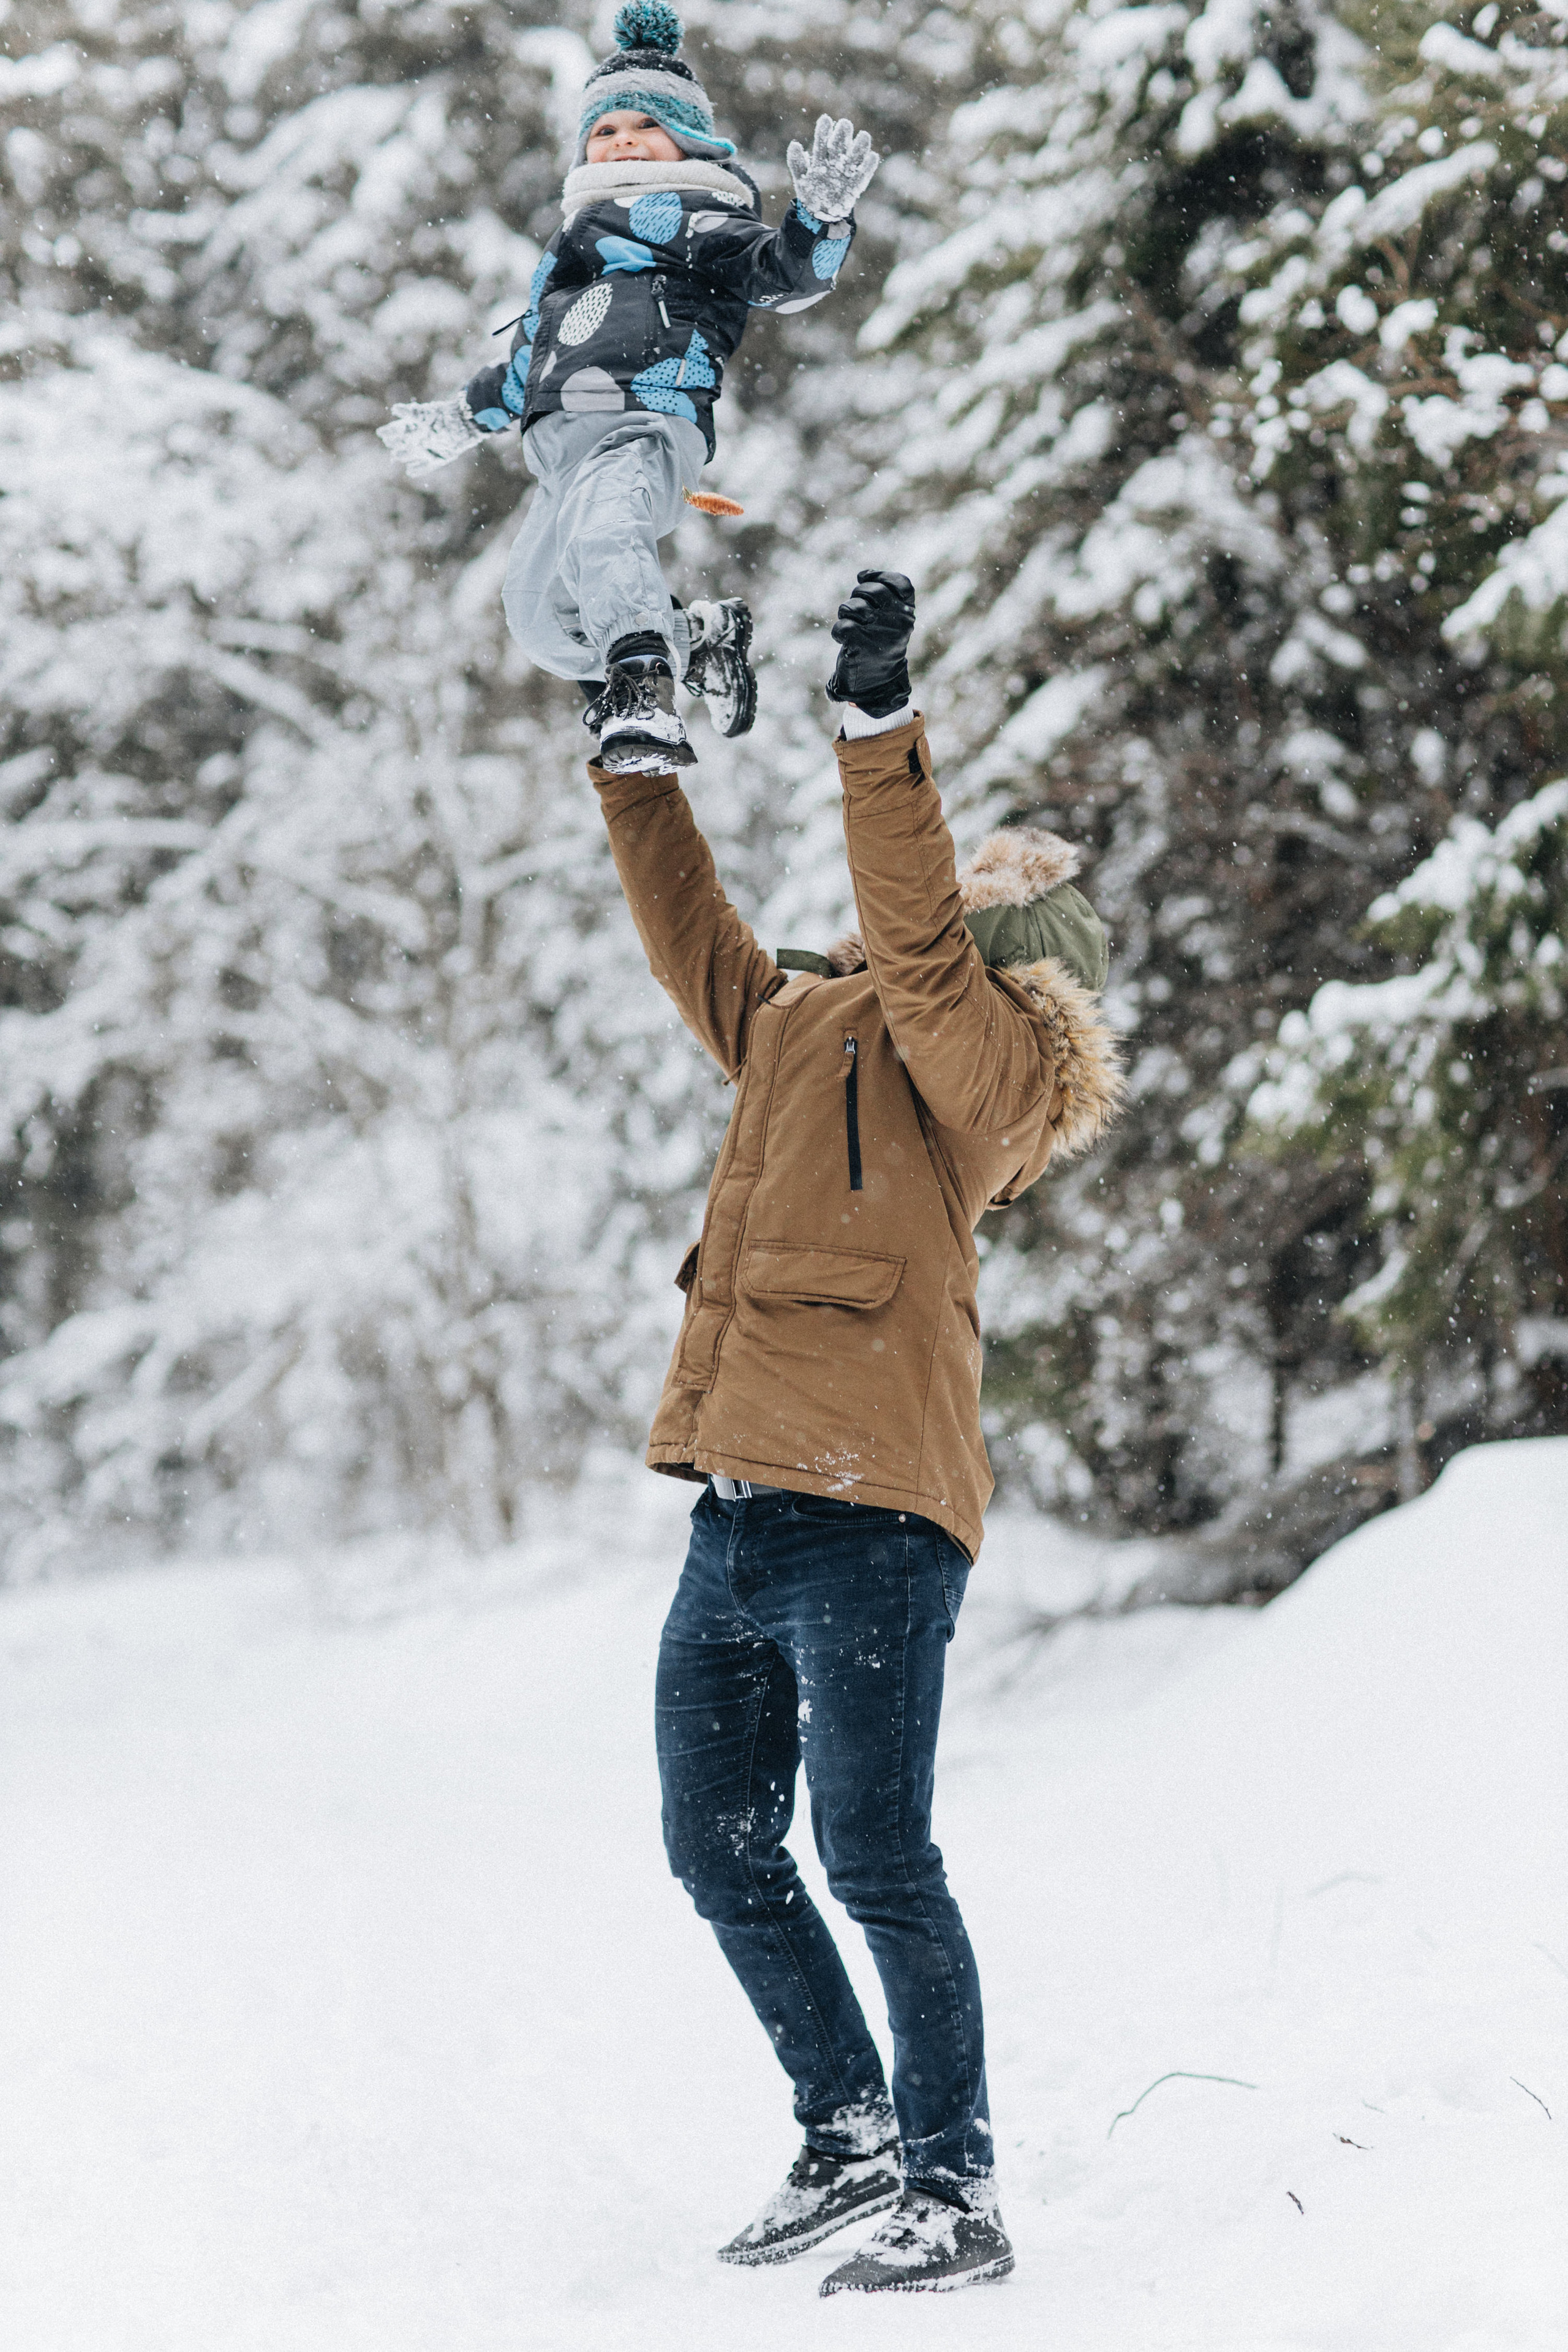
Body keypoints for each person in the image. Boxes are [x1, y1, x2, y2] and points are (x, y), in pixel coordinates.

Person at [591, 570, 1125, 2293]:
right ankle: (852, 2131)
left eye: (965, 929)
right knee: (715, 1847)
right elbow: (701, 943)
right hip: (743, 1507)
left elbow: (913, 938)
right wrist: (636, 766)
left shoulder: (996, 1080)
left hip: (878, 1510)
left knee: (877, 1858)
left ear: (1011, 975)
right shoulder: (813, 1026)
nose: (929, 937)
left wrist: (881, 726)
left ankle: (956, 2189)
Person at [379, 1, 880, 774]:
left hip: (644, 415)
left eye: (641, 128)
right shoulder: (569, 253)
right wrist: (456, 420)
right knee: (540, 621)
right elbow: (523, 371)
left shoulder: (698, 214)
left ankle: (645, 689)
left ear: (684, 140)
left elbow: (781, 277)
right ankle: (699, 639)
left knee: (609, 537)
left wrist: (820, 222)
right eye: (604, 132)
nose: (620, 144)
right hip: (558, 453)